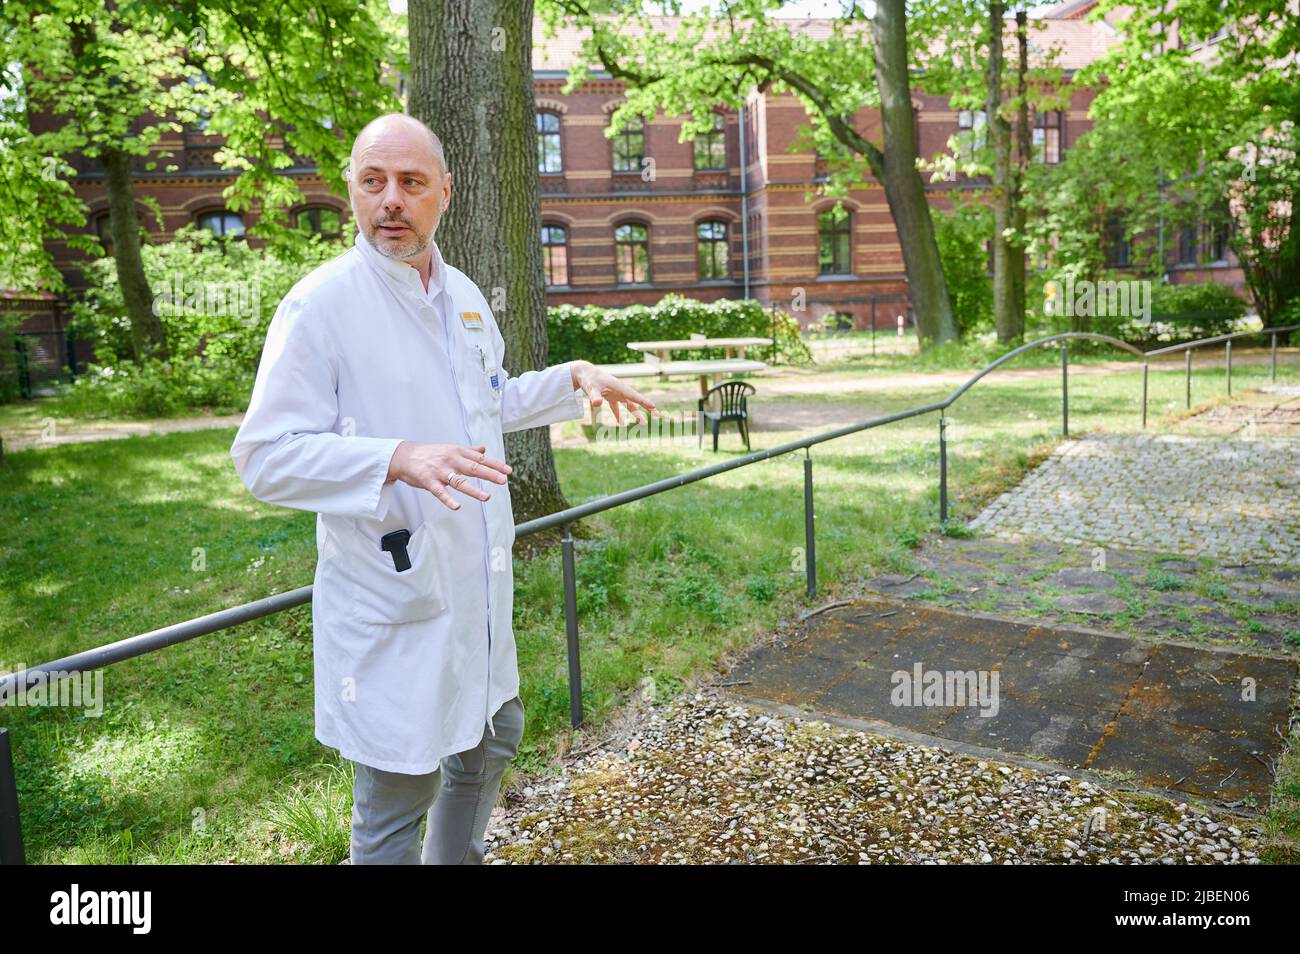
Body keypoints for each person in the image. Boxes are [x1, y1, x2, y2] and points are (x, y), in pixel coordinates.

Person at [230, 112, 654, 864]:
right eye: (373, 182)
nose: (390, 199)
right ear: (353, 192)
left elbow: (485, 402)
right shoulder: (320, 306)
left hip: (473, 588)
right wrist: (393, 458)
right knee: (396, 796)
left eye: (410, 182)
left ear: (444, 194)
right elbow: (265, 457)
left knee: (493, 738)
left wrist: (572, 379)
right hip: (394, 595)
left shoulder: (462, 296)